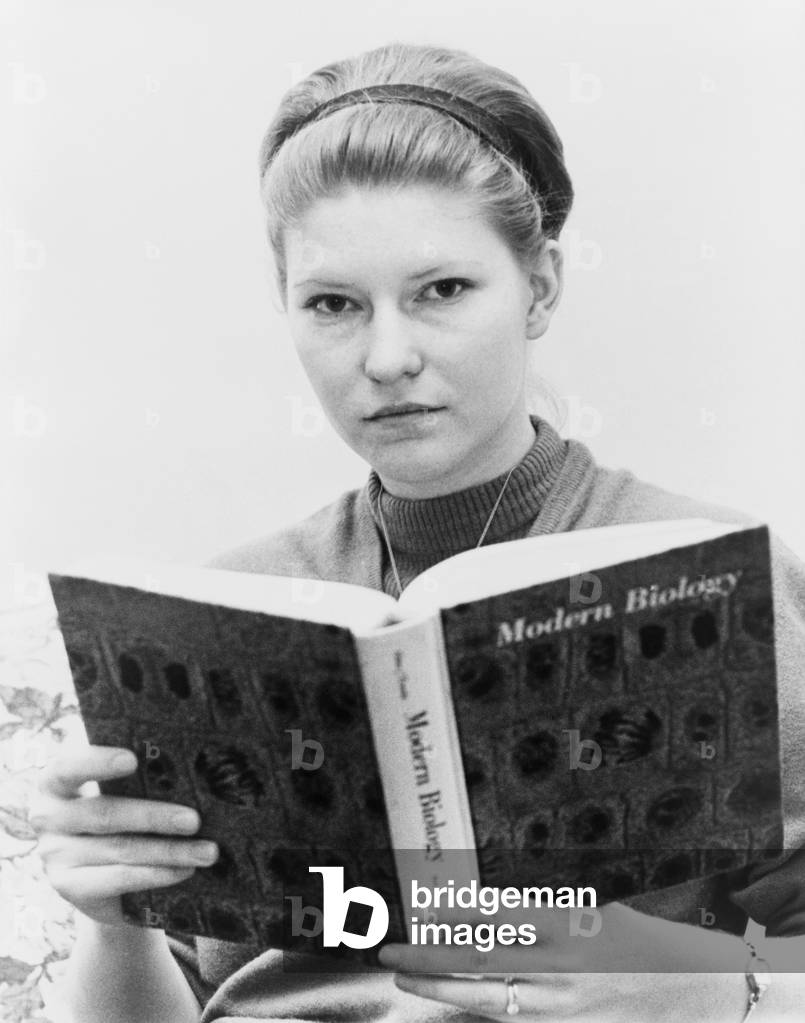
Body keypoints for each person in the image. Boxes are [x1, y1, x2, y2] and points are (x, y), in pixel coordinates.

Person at [34, 41, 805, 1023]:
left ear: (541, 287)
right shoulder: (228, 613)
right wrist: (114, 920)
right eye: (333, 305)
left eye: (442, 290)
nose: (387, 356)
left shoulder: (709, 575)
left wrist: (709, 990)